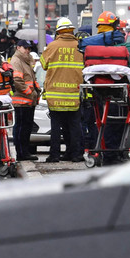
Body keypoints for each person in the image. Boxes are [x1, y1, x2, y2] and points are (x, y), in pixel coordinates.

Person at [78, 11, 130, 158]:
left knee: (100, 122)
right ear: (114, 25)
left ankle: (103, 152)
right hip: (119, 90)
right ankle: (115, 154)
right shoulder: (124, 44)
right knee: (117, 123)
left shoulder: (90, 46)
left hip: (97, 91)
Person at [40, 18, 84, 163]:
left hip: (55, 95)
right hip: (74, 95)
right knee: (75, 127)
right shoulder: (80, 46)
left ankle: (54, 155)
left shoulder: (52, 46)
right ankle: (75, 154)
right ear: (72, 31)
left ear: (58, 32)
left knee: (56, 127)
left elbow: (43, 64)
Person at [10, 39, 40, 161]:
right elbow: (17, 81)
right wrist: (30, 93)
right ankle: (22, 154)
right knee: (22, 129)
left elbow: (30, 79)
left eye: (29, 48)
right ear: (18, 47)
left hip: (28, 100)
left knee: (26, 128)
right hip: (22, 100)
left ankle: (25, 152)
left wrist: (36, 92)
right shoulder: (17, 61)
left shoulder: (25, 61)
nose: (27, 50)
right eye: (25, 48)